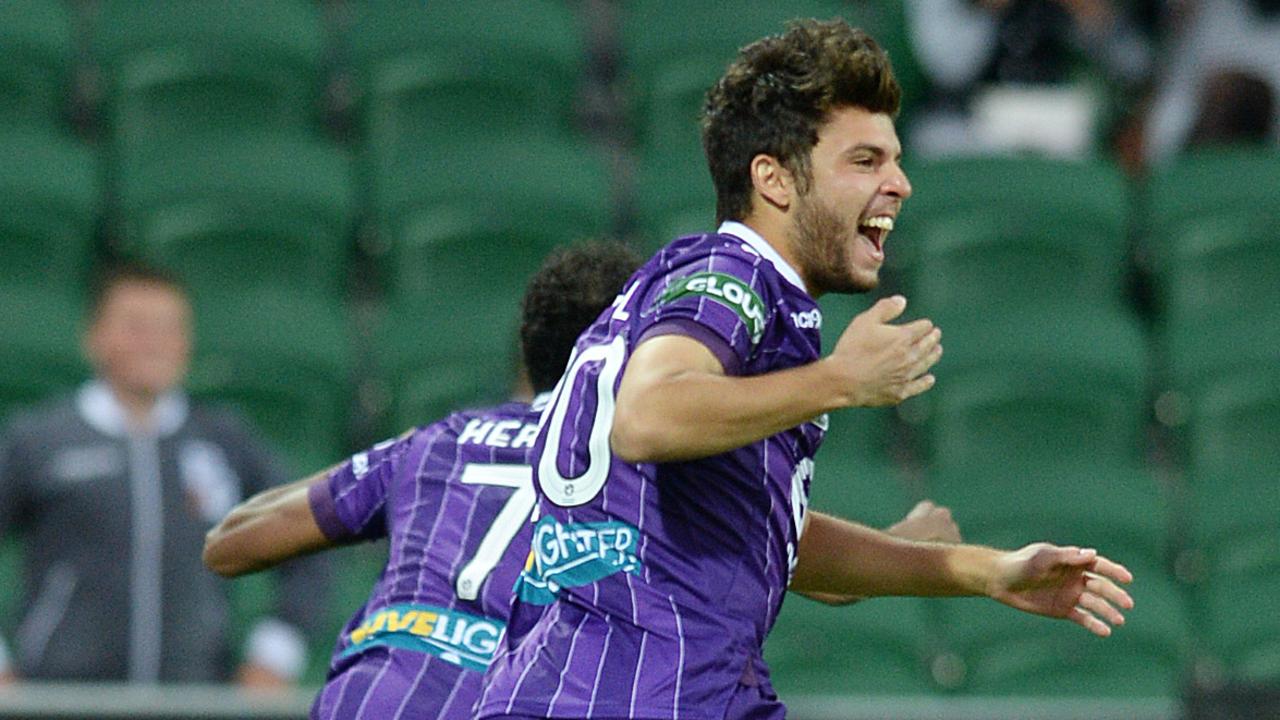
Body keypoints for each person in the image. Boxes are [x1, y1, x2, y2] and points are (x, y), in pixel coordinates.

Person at [475, 19, 1134, 720]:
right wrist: (841, 380)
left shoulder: (701, 297)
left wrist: (984, 571)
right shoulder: (731, 275)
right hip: (639, 696)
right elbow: (646, 418)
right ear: (776, 180)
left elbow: (780, 547)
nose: (900, 183)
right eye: (865, 161)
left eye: (896, 159)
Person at [201, 240, 962, 719]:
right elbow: (810, 566)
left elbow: (234, 543)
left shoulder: (434, 445)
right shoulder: (641, 462)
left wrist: (390, 464)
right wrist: (911, 547)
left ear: (521, 362)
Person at [0, 263, 327, 685]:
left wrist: (275, 655)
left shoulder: (223, 440)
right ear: (94, 336)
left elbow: (310, 527)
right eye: (136, 326)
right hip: (62, 698)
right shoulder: (40, 440)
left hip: (192, 698)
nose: (153, 343)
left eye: (169, 328)